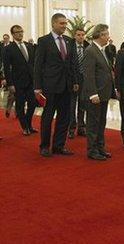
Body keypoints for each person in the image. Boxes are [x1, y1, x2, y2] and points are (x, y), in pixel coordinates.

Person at [34, 13, 78, 157]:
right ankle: (45, 146)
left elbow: (73, 64)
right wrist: (37, 87)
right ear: (53, 24)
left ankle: (59, 146)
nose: (64, 26)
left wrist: (75, 81)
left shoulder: (69, 41)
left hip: (66, 86)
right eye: (61, 23)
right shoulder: (44, 41)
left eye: (65, 23)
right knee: (48, 117)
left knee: (64, 118)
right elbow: (38, 65)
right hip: (50, 86)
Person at [81, 24, 114, 161]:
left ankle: (100, 148)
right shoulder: (90, 50)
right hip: (95, 95)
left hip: (104, 94)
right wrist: (93, 94)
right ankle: (92, 150)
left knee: (101, 123)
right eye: (106, 34)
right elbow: (89, 75)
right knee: (93, 123)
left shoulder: (102, 50)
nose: (108, 37)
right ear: (100, 35)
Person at [3, 25, 37, 135]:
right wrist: (10, 84)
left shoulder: (29, 46)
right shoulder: (8, 49)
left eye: (21, 31)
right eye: (17, 32)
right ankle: (24, 127)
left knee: (32, 104)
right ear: (12, 34)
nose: (20, 34)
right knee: (20, 105)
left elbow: (32, 64)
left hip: (30, 81)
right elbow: (7, 68)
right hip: (17, 82)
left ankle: (29, 124)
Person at [68, 28, 89, 139]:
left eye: (82, 35)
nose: (81, 37)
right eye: (78, 35)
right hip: (73, 80)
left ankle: (81, 127)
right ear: (74, 36)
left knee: (83, 104)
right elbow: (69, 65)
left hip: (85, 79)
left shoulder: (88, 46)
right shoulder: (69, 47)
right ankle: (71, 128)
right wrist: (74, 81)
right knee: (72, 105)